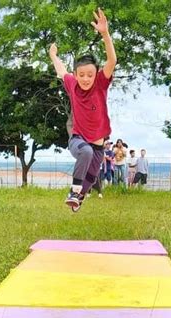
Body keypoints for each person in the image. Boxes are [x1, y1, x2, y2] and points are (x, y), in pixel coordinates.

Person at [49, 8, 116, 210]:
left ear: (96, 75)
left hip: (99, 144)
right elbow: (61, 70)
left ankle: (79, 196)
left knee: (92, 176)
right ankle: (74, 190)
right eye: (82, 75)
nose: (86, 79)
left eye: (90, 75)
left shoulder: (101, 84)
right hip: (78, 140)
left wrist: (105, 34)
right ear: (76, 75)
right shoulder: (72, 85)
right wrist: (53, 55)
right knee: (85, 153)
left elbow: (112, 61)